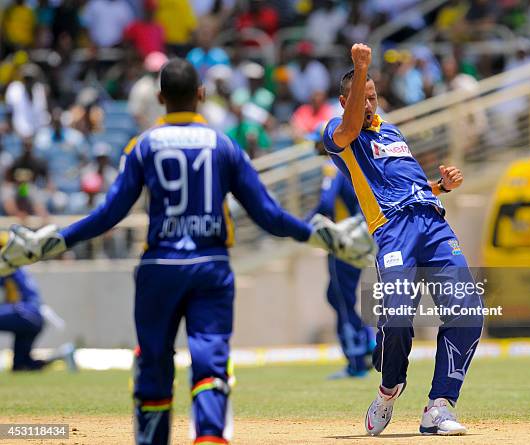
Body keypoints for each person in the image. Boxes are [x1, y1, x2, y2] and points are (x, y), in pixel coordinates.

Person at [1, 59, 372, 445]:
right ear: (201, 95)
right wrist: (322, 237)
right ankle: (209, 437)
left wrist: (55, 241)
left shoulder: (142, 145)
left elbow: (108, 214)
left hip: (158, 267)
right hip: (211, 268)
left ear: (160, 98)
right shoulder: (223, 145)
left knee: (154, 361)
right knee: (210, 361)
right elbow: (268, 214)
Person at [322, 44, 483, 436]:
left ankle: (439, 407)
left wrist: (438, 186)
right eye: (363, 96)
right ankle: (388, 389)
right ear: (346, 99)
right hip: (393, 232)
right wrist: (361, 68)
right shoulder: (337, 133)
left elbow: (407, 184)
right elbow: (347, 129)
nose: (371, 104)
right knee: (396, 321)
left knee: (468, 311)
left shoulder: (392, 132)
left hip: (431, 222)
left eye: (375, 97)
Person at [309, 124, 373, 379]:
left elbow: (325, 203)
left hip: (344, 239)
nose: (314, 146)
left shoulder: (331, 165)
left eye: (316, 141)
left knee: (341, 298)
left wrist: (302, 226)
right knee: (337, 296)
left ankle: (356, 362)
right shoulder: (351, 162)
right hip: (358, 236)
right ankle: (368, 340)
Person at [0, 232, 75, 371]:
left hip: (23, 312)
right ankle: (62, 355)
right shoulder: (17, 264)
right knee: (21, 366)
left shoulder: (6, 265)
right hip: (34, 316)